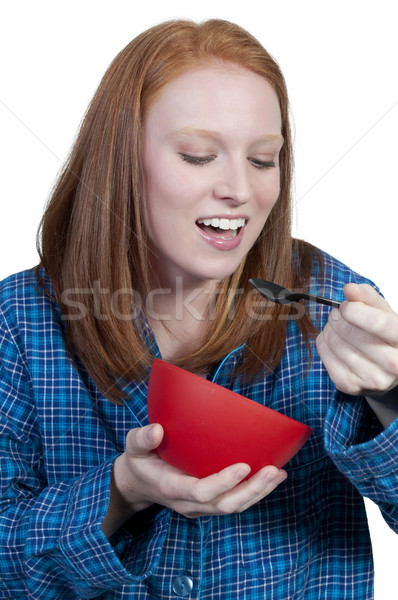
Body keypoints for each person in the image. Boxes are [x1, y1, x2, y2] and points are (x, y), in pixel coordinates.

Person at [0, 18, 397, 600]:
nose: (240, 188)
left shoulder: (331, 300)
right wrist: (123, 491)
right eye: (197, 155)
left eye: (264, 161)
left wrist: (390, 399)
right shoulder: (19, 324)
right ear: (119, 163)